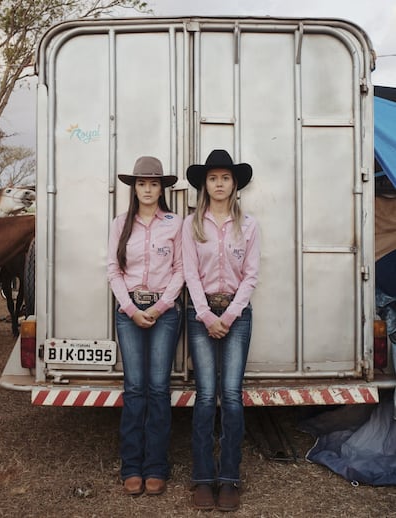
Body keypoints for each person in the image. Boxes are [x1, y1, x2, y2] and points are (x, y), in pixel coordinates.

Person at [182, 149, 260, 512]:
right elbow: (190, 274)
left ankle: (228, 477)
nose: (218, 184)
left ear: (234, 184)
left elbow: (251, 277)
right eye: (212, 178)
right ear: (205, 184)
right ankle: (202, 477)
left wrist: (227, 317)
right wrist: (204, 314)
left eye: (225, 178)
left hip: (237, 315)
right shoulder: (191, 225)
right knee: (205, 394)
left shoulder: (250, 226)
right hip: (201, 315)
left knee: (230, 395)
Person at [107, 156, 184, 496]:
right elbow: (113, 270)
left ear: (162, 188)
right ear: (134, 188)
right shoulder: (121, 223)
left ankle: (155, 466)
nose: (148, 189)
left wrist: (160, 306)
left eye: (154, 183)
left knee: (157, 388)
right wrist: (130, 309)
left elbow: (181, 270)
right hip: (129, 313)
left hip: (164, 312)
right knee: (135, 388)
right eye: (142, 183)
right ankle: (131, 466)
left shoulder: (175, 223)